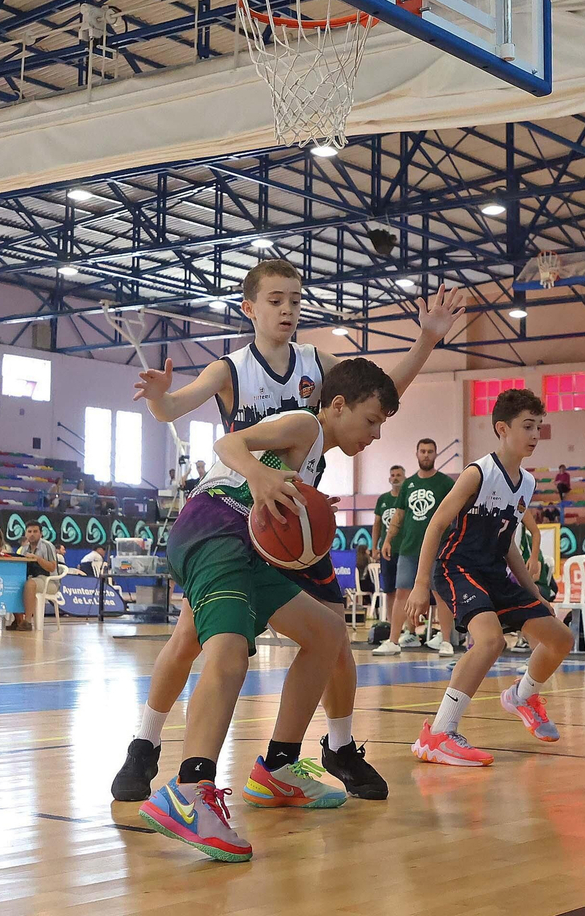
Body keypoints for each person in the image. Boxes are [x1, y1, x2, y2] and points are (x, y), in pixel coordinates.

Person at [113, 259, 463, 806]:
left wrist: (426, 340)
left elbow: (376, 391)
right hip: (235, 511)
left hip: (288, 524)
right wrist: (161, 396)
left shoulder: (317, 366)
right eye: (276, 300)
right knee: (195, 642)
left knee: (329, 634)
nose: (288, 309)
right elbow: (179, 412)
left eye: (296, 301)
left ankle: (309, 755)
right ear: (250, 308)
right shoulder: (235, 369)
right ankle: (149, 748)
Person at [137, 358, 397, 863]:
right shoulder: (304, 423)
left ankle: (277, 768)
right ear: (337, 405)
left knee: (327, 633)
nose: (375, 433)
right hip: (216, 526)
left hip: (243, 543)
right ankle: (188, 791)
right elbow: (228, 444)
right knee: (228, 655)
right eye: (371, 421)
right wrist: (257, 475)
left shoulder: (314, 454)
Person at [406, 389, 574, 765]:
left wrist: (534, 593)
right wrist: (420, 585)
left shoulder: (526, 483)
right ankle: (439, 733)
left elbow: (508, 541)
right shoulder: (477, 473)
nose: (535, 434)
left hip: (494, 572)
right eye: (527, 426)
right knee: (489, 641)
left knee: (560, 638)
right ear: (502, 428)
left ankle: (523, 695)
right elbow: (435, 526)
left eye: (539, 427)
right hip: (457, 567)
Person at [387, 439, 458, 655]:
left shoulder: (445, 483)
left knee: (440, 593)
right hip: (409, 548)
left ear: (436, 454)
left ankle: (446, 641)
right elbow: (399, 515)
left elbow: (455, 514)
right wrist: (389, 539)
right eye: (422, 451)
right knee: (402, 593)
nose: (426, 455)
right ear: (416, 454)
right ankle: (393, 640)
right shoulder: (407, 484)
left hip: (438, 549)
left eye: (430, 451)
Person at [370, 464, 410, 655]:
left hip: (406, 549)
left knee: (406, 590)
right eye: (392, 475)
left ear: (405, 477)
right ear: (389, 478)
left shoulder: (409, 497)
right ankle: (390, 626)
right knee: (390, 590)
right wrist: (374, 546)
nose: (395, 478)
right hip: (388, 551)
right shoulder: (383, 499)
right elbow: (377, 524)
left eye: (398, 475)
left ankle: (410, 629)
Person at [14, 521, 59, 631]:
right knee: (14, 584)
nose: (32, 534)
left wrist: (37, 559)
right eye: (29, 531)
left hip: (49, 581)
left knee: (30, 584)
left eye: (35, 531)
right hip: (32, 577)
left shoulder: (47, 546)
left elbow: (52, 567)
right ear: (25, 533)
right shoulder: (24, 549)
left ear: (41, 533)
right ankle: (17, 619)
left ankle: (28, 621)